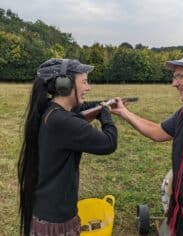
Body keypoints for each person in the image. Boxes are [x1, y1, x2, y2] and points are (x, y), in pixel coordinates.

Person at [111, 54, 183, 235]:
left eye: (180, 76)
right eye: (174, 77)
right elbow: (157, 131)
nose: (174, 83)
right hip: (181, 218)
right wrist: (124, 113)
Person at [17, 58, 118, 236]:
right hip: (55, 221)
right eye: (84, 81)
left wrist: (101, 104)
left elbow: (78, 110)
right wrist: (106, 115)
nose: (89, 87)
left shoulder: (51, 110)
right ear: (65, 85)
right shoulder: (63, 122)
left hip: (46, 209)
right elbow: (108, 143)